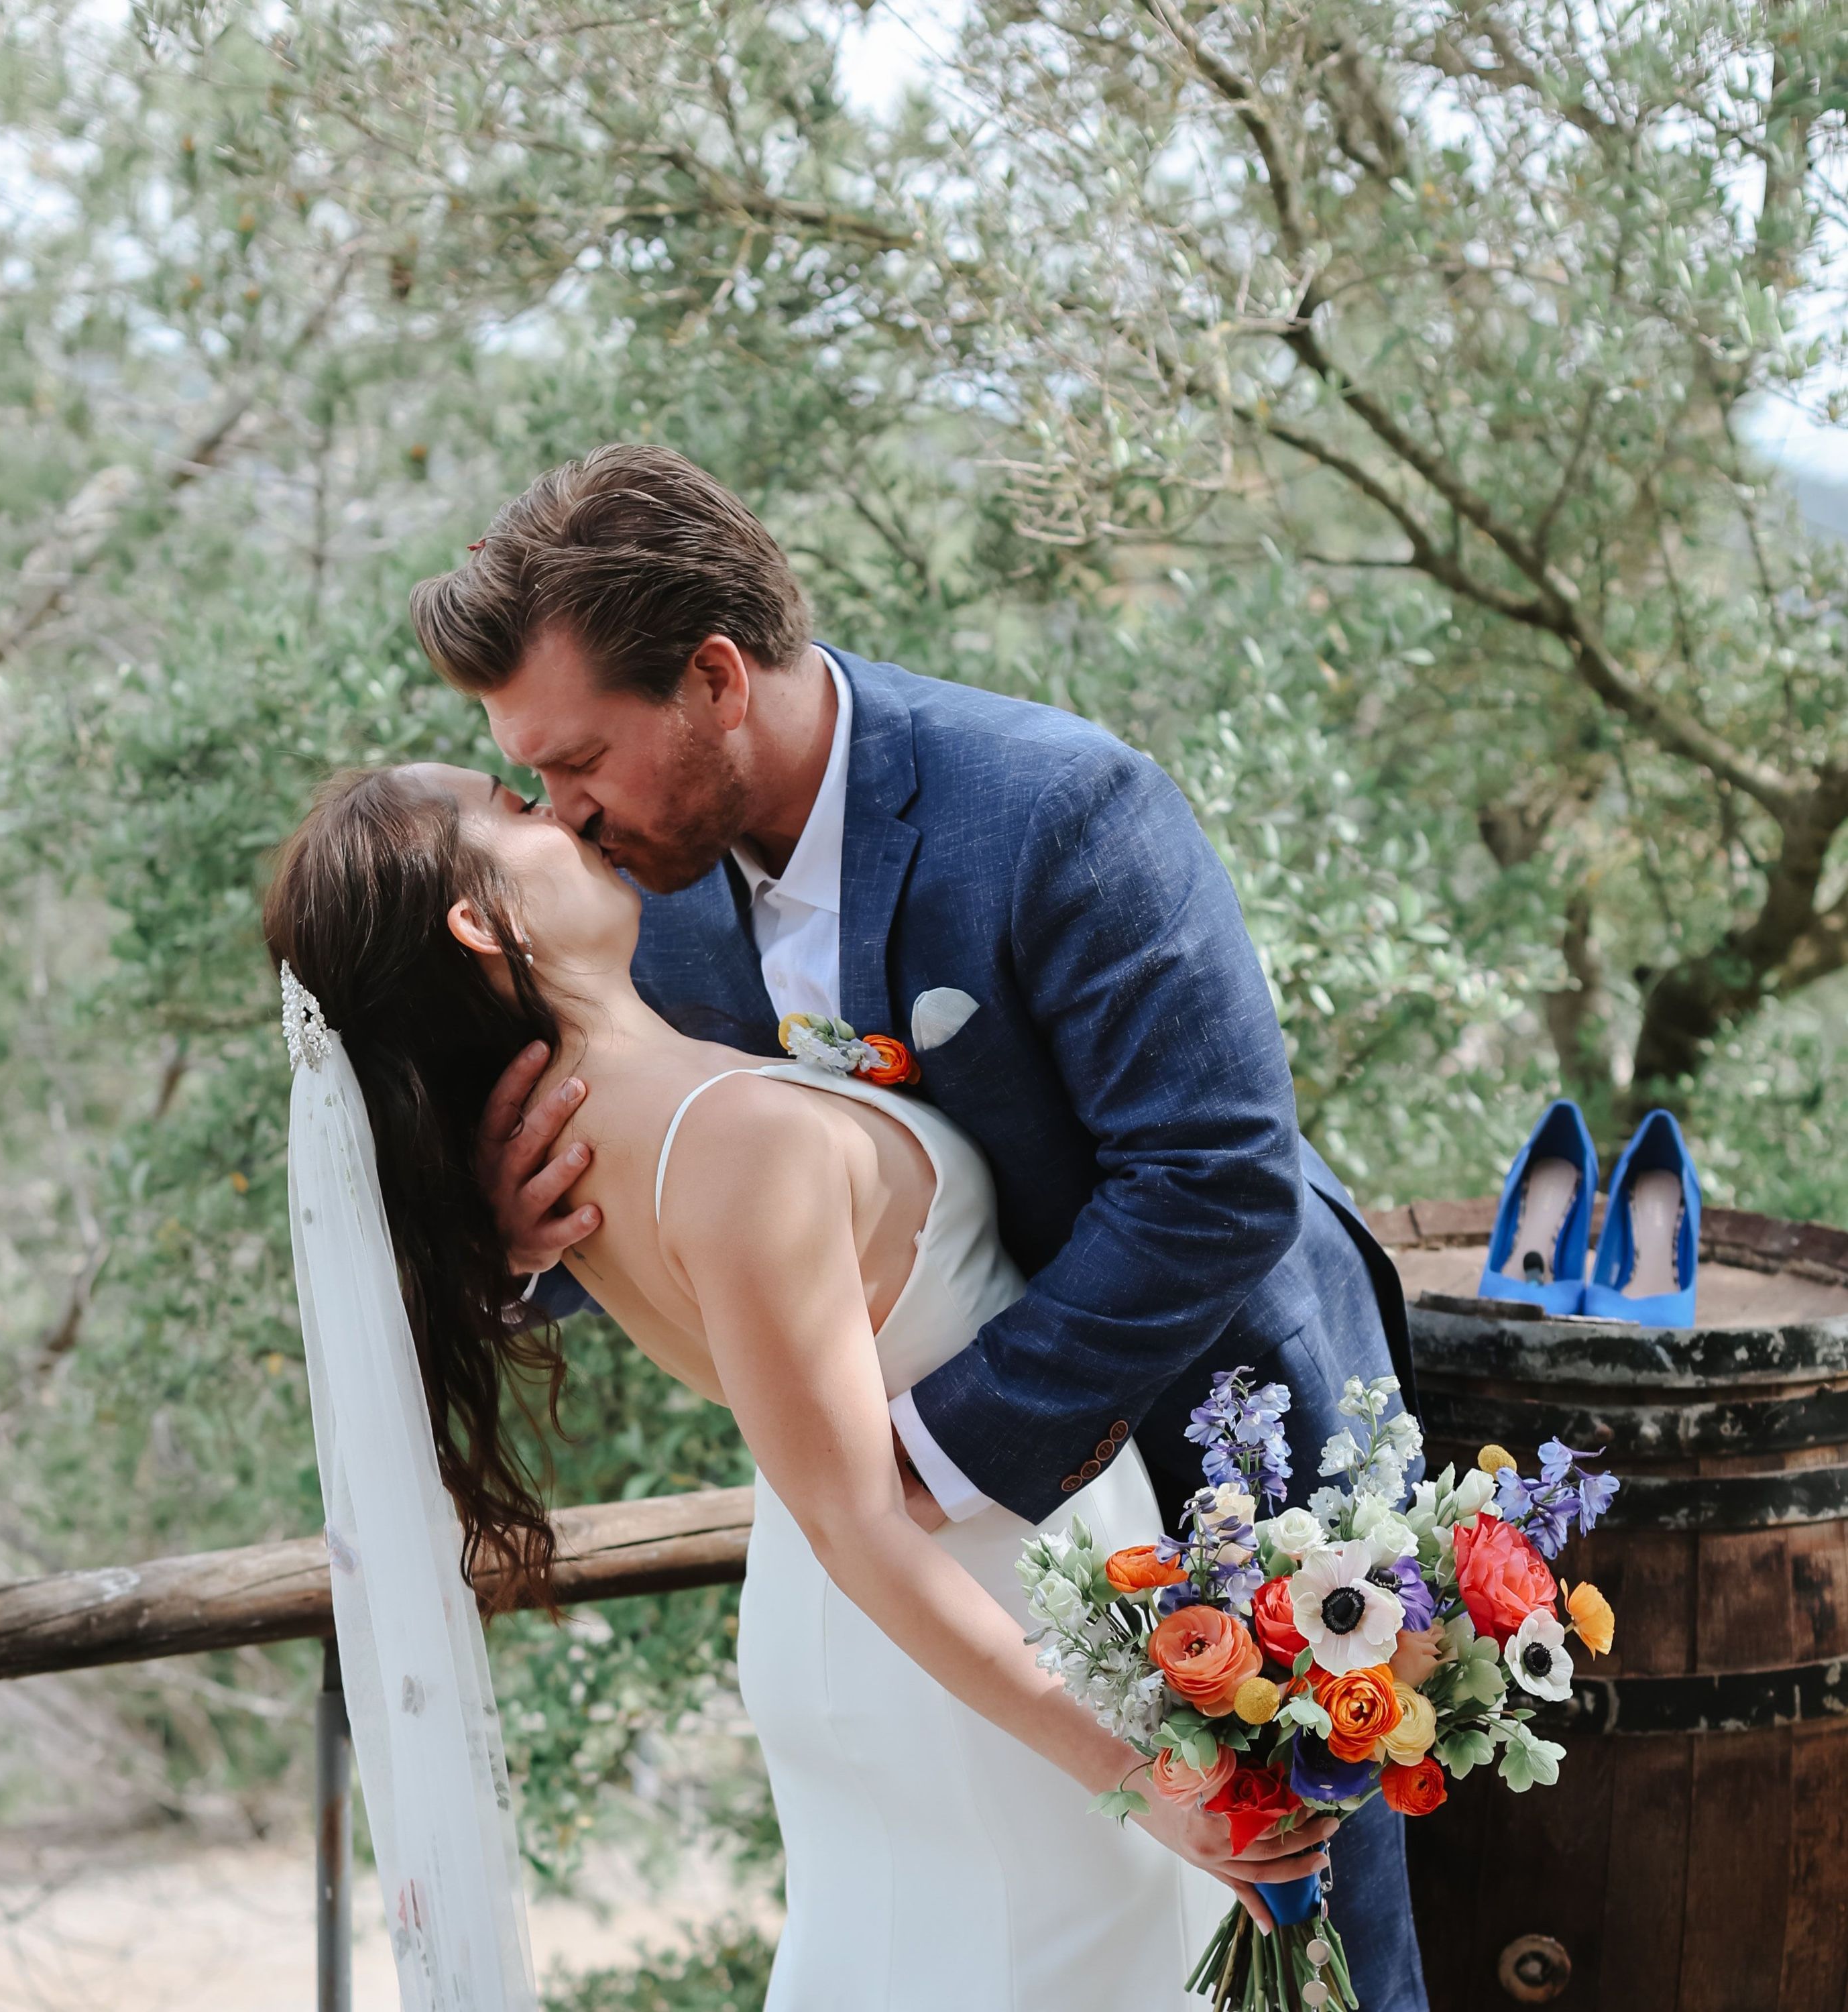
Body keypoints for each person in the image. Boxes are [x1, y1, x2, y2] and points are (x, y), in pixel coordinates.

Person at [406, 445, 1430, 2010]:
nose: (564, 814)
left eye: (581, 760)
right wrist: (514, 1245)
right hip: (896, 1592)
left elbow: (1216, 1179)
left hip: (1226, 1464)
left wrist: (922, 1463)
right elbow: (694, 1203)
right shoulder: (628, 896)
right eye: (532, 781)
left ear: (715, 678)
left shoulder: (1057, 808)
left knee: (1314, 1961)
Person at [264, 763, 1318, 2011]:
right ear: (480, 923)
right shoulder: (734, 1141)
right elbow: (857, 1518)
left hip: (907, 1621)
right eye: (514, 804)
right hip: (972, 1630)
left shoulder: (579, 1151)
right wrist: (1145, 1781)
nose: (564, 809)